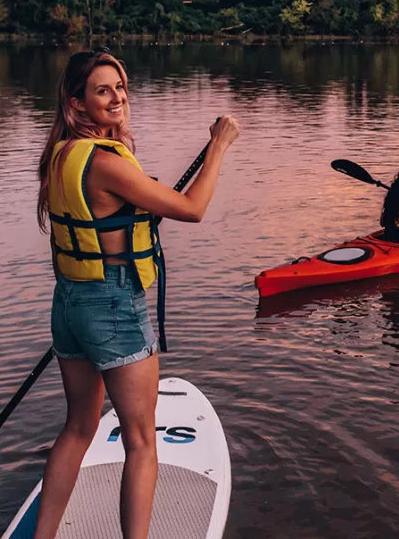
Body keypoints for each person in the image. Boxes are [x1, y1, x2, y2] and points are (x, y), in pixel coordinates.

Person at [33, 48, 239, 539]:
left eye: (121, 87)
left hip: (70, 302)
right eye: (103, 90)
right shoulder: (105, 161)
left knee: (79, 428)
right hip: (113, 303)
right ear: (76, 103)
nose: (117, 97)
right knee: (142, 441)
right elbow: (192, 208)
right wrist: (218, 146)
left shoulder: (61, 155)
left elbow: (112, 212)